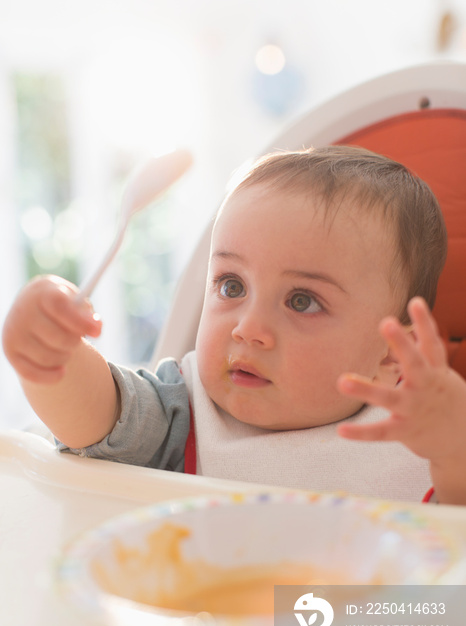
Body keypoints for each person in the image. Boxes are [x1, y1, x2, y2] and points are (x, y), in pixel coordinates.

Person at [3, 146, 465, 504]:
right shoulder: (181, 414)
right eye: (230, 286)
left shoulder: (417, 441)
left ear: (388, 355)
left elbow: (450, 549)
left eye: (302, 301)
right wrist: (53, 356)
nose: (248, 328)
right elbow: (97, 416)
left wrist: (453, 451)